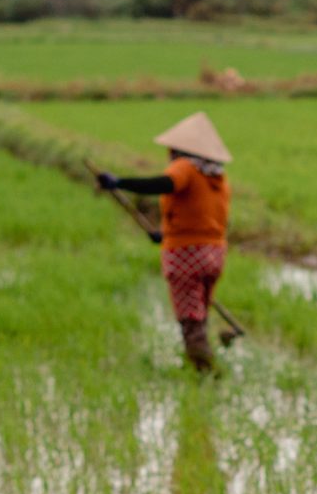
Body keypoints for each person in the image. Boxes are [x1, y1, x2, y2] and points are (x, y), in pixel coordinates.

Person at [93, 113, 232, 374]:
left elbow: (163, 183)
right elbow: (202, 217)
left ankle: (204, 371)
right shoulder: (217, 177)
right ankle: (201, 363)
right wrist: (165, 234)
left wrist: (120, 182)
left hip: (187, 253)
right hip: (213, 253)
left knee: (190, 316)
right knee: (199, 311)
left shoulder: (186, 168)